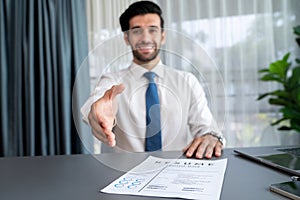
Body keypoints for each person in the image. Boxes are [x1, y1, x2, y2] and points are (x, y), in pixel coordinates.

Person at [81, 1, 225, 159]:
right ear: (126, 38)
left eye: (152, 30)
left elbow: (206, 128)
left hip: (175, 172)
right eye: (136, 31)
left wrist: (211, 137)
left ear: (163, 36)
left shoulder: (187, 81)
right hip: (123, 174)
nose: (145, 38)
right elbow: (95, 105)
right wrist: (97, 114)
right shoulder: (111, 80)